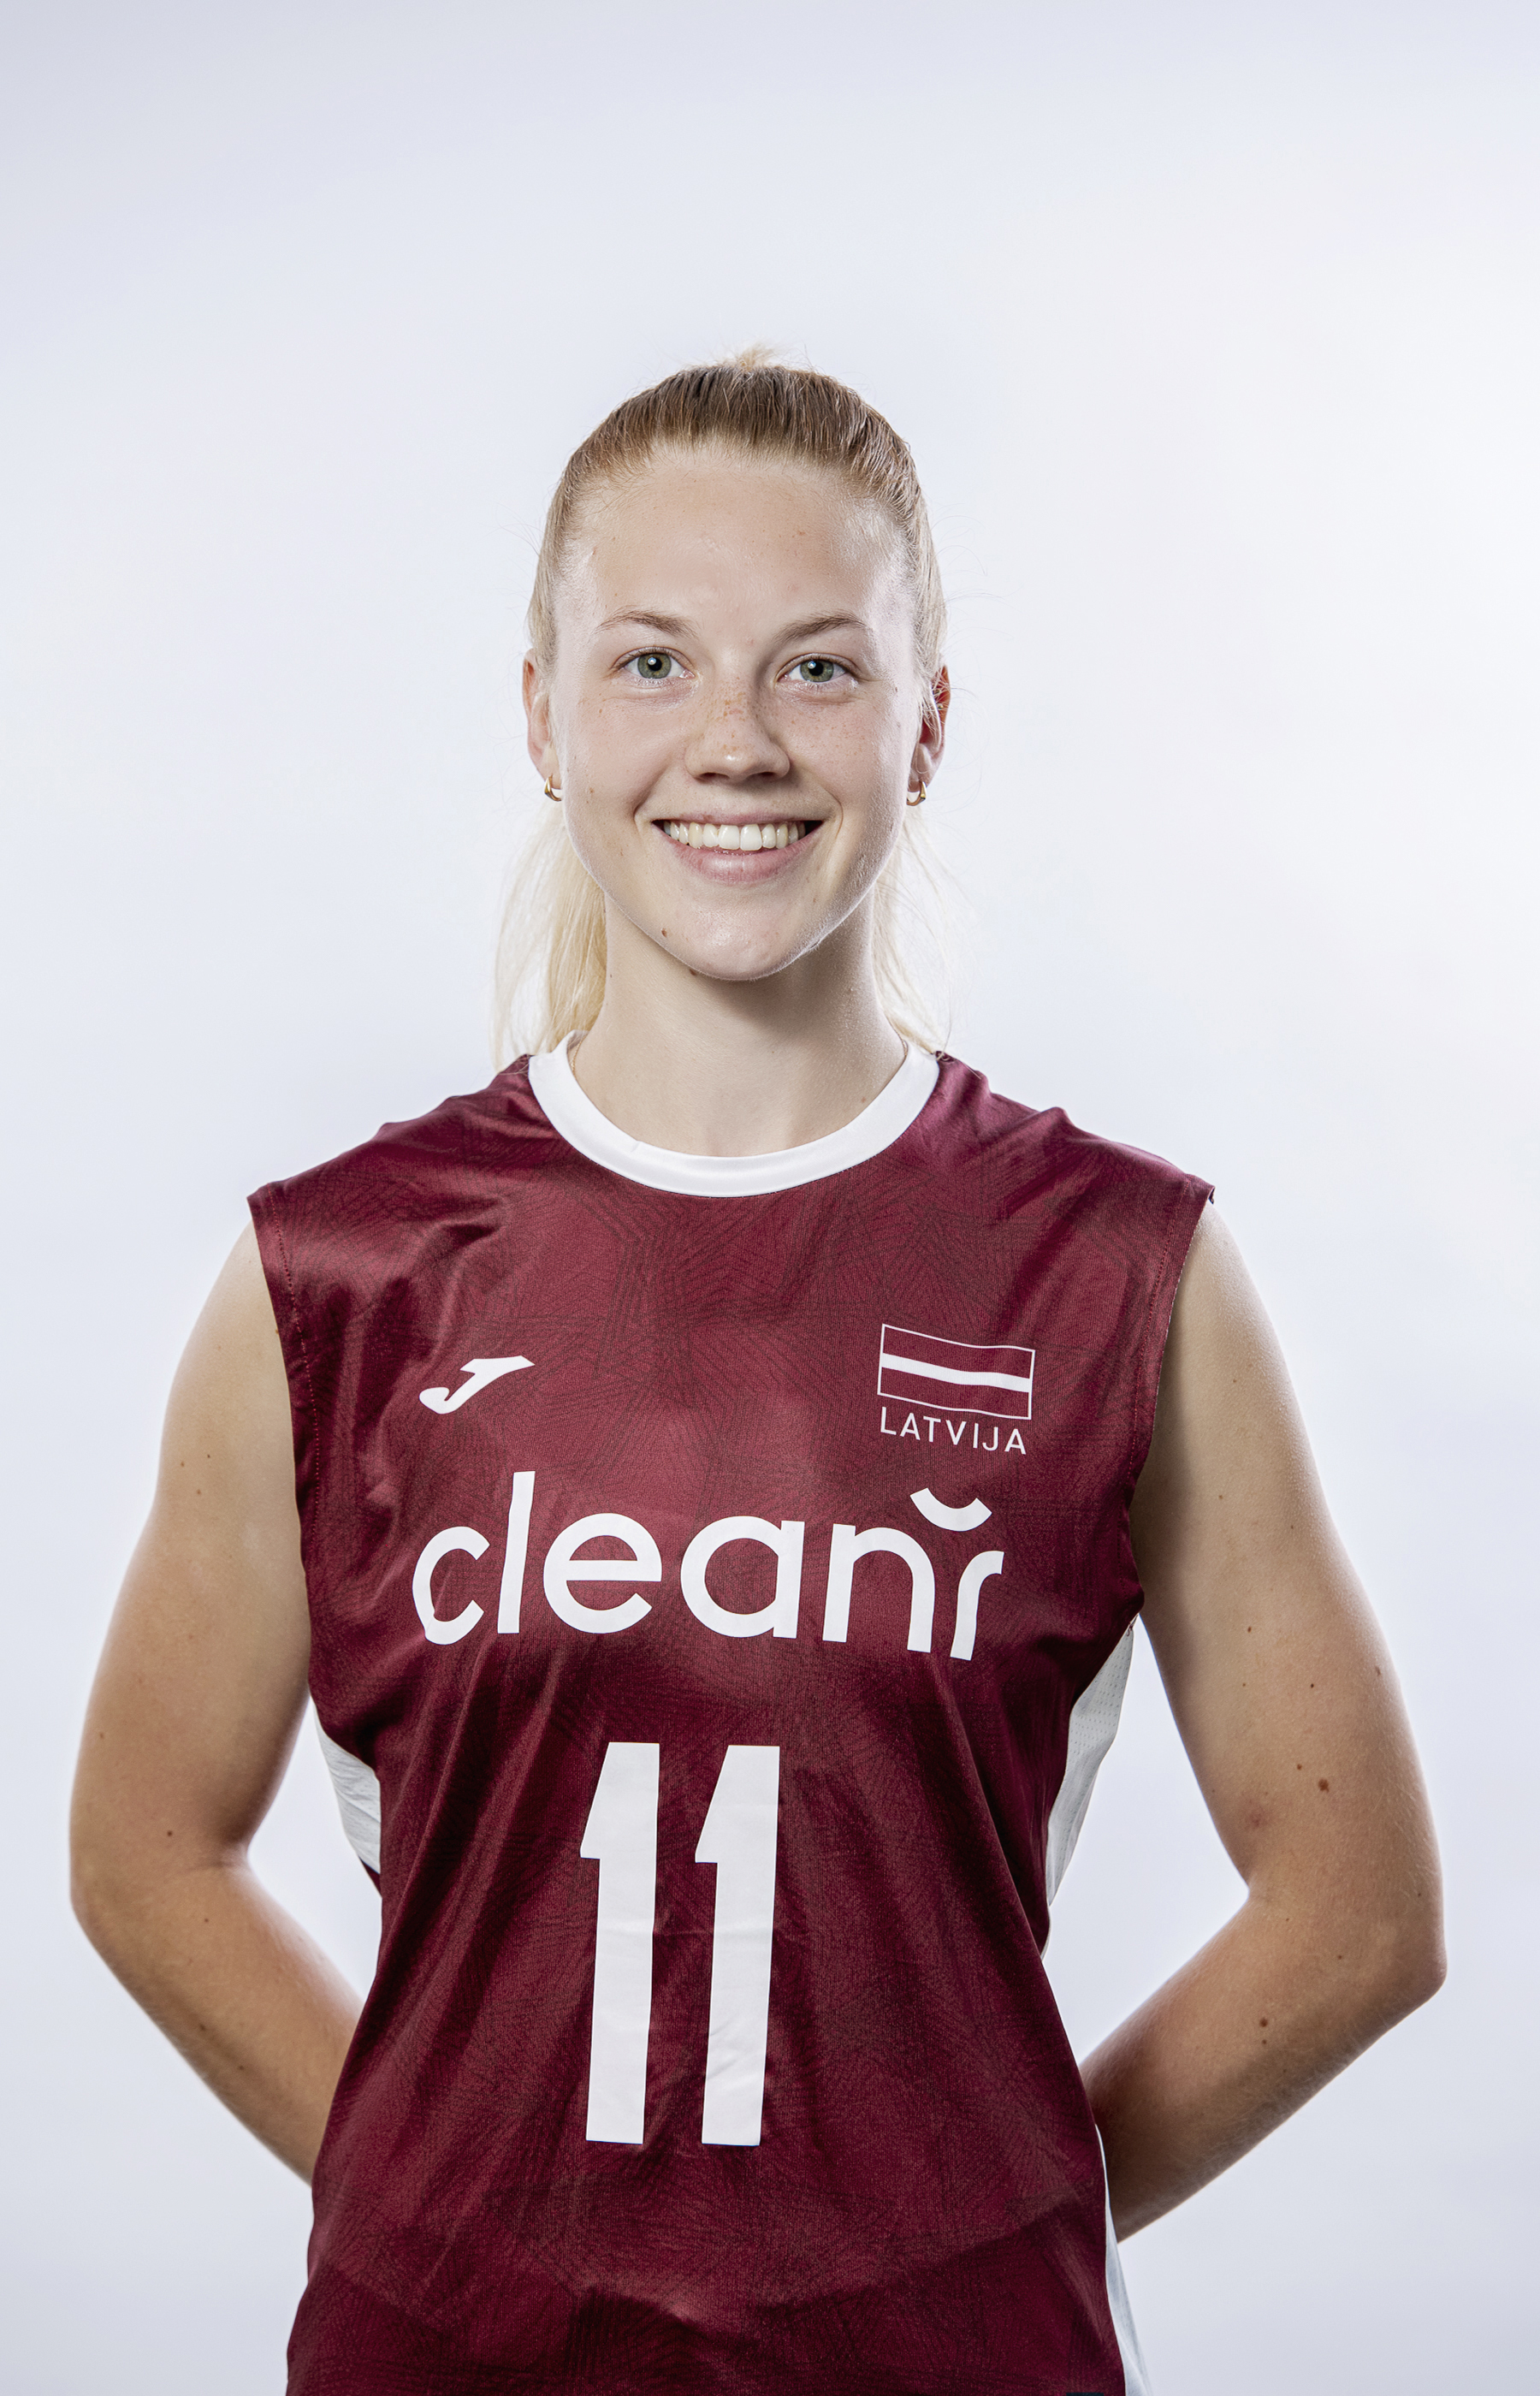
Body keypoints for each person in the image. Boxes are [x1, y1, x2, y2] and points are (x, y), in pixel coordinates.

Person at [70, 357, 1444, 2394]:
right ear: (542, 714)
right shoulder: (339, 1274)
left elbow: (1360, 1908)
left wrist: (1000, 2209)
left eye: (817, 665)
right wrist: (428, 2195)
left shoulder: (1118, 1271)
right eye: (652, 661)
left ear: (928, 717)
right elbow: (145, 1847)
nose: (734, 737)